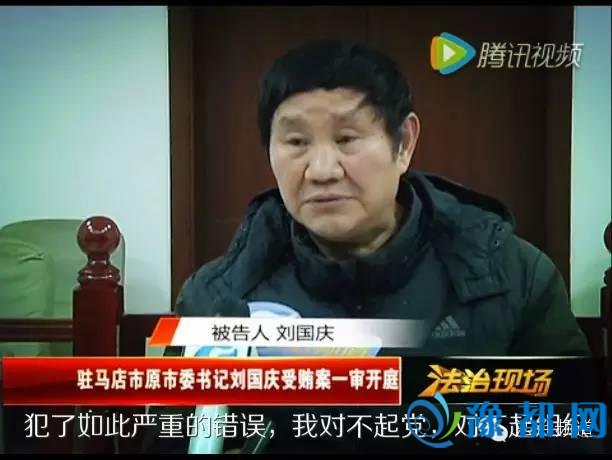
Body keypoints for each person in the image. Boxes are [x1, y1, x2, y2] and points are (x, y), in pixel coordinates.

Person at [148, 40, 595, 454]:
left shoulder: (513, 278)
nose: (322, 170)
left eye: (347, 139)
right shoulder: (217, 299)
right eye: (296, 142)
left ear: (404, 144)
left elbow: (574, 431)